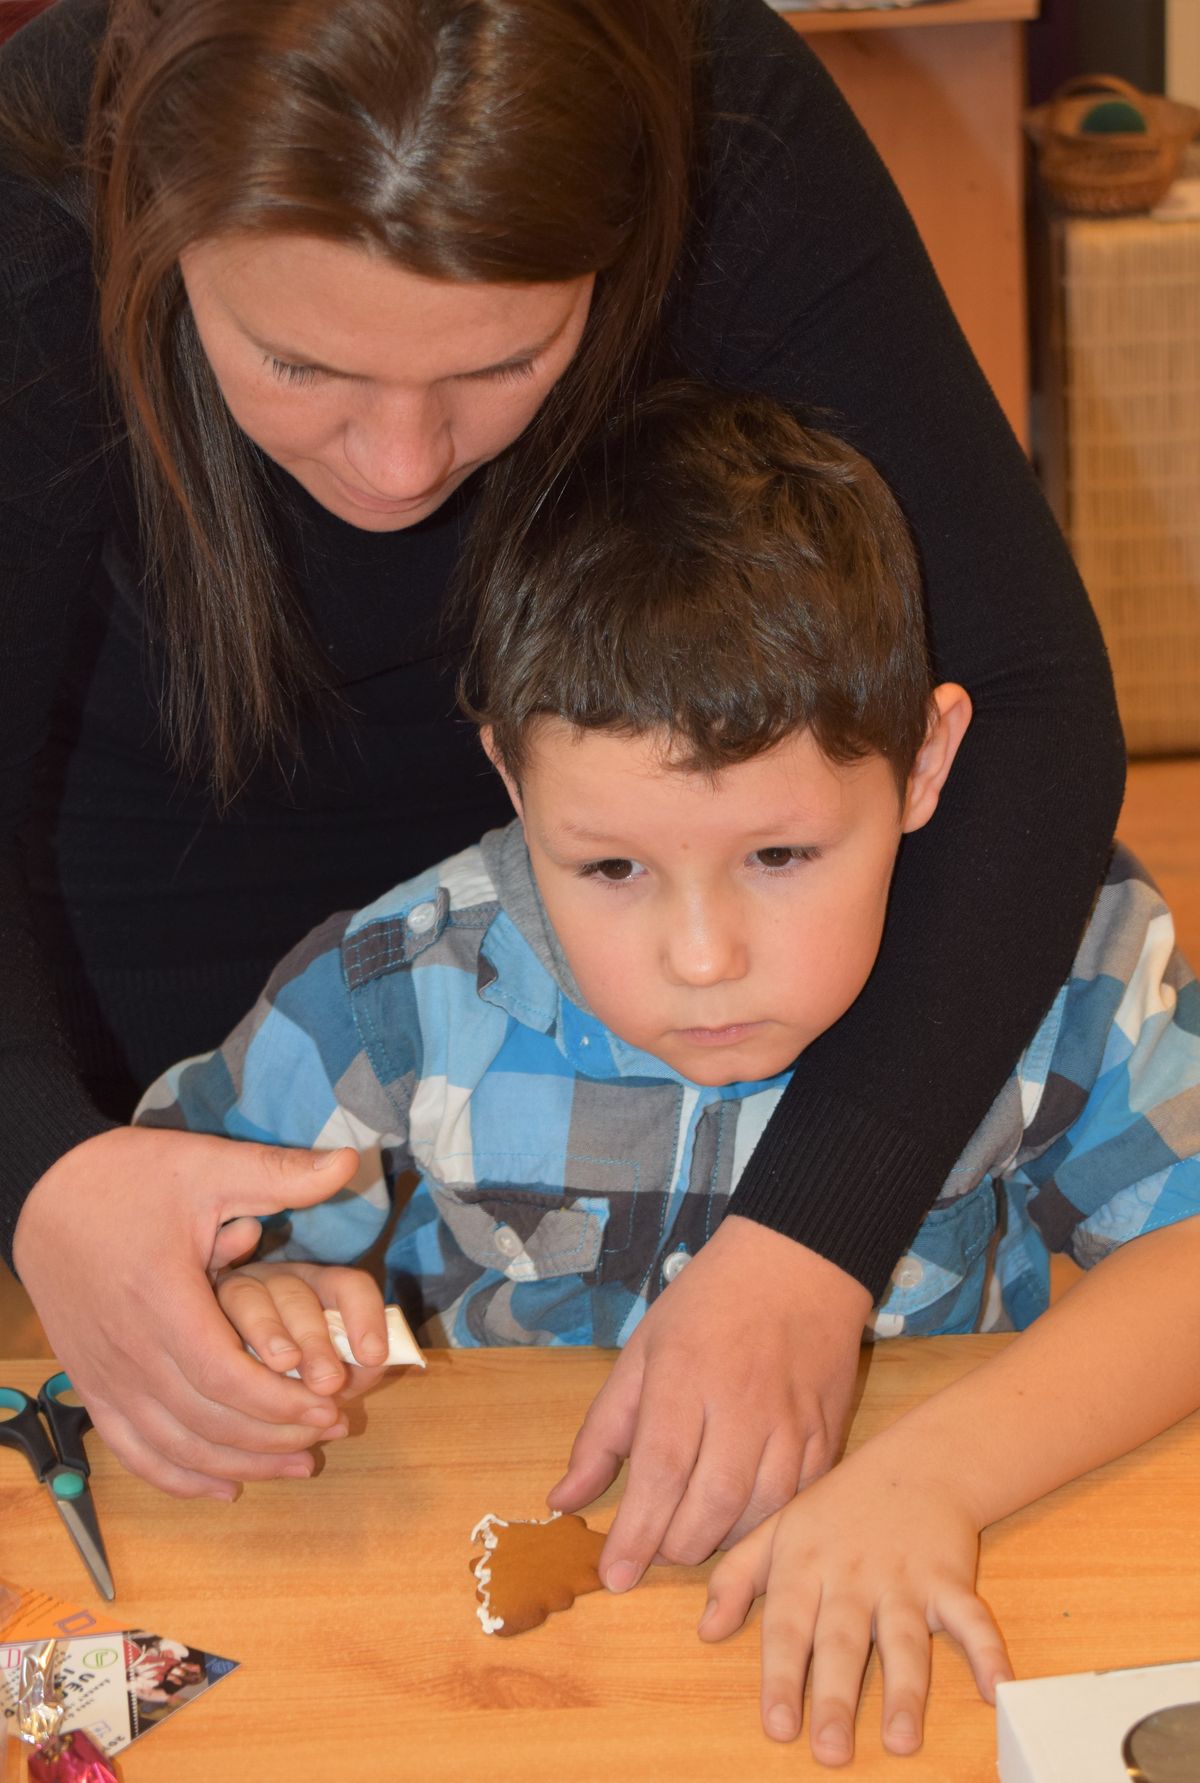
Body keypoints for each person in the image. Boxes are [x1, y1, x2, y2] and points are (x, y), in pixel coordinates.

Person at [0, 0, 1124, 1576]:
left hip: (653, 844)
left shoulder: (722, 110)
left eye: (504, 361)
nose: (402, 466)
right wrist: (42, 1168)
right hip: (150, 972)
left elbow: (1033, 701)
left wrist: (814, 1231)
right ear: (151, 228)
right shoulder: (36, 179)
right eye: (298, 362)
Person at [139, 383, 1200, 1765]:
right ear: (512, 776)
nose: (704, 959)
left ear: (926, 759)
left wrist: (939, 1476)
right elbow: (174, 1223)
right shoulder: (400, 990)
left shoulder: (1052, 958)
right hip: (515, 1691)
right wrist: (253, 1301)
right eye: (611, 867)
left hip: (885, 1629)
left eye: (780, 856)